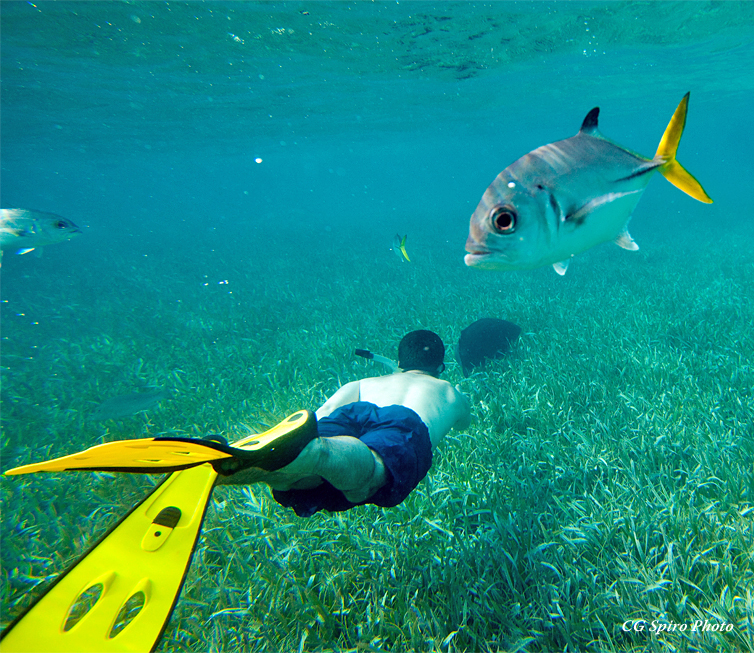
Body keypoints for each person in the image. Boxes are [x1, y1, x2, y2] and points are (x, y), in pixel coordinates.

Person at [217, 330, 471, 517]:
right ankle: (316, 453)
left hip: (350, 415)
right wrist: (461, 397)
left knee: (299, 482)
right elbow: (464, 424)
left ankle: (239, 465)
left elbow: (324, 413)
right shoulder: (448, 391)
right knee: (370, 477)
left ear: (399, 363)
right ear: (440, 367)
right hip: (403, 420)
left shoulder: (362, 384)